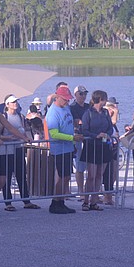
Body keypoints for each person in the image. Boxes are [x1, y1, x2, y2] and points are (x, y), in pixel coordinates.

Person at [0, 95, 40, 211]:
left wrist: (27, 138)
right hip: (6, 150)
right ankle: (8, 202)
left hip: (18, 148)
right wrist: (8, 138)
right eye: (13, 102)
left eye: (16, 101)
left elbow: (25, 131)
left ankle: (26, 200)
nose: (15, 104)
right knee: (7, 176)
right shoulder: (4, 117)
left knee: (21, 174)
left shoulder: (21, 116)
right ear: (7, 104)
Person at [45, 86, 79, 214]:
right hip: (59, 148)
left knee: (66, 177)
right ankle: (55, 202)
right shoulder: (53, 112)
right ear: (57, 98)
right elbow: (54, 134)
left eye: (68, 99)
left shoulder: (66, 108)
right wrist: (72, 137)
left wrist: (73, 139)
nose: (67, 102)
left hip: (68, 147)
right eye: (65, 99)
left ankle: (61, 201)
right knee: (62, 176)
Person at [79, 90, 114, 211]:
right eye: (105, 99)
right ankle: (85, 201)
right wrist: (96, 135)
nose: (106, 102)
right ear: (100, 99)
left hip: (103, 146)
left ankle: (94, 201)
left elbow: (110, 127)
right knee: (91, 176)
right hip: (92, 145)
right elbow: (84, 130)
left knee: (99, 174)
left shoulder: (105, 113)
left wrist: (107, 134)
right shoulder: (88, 113)